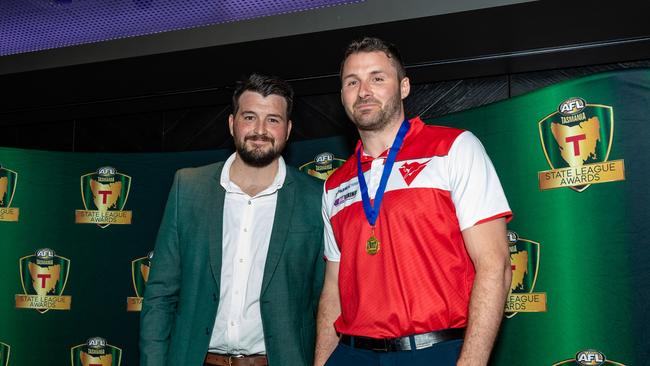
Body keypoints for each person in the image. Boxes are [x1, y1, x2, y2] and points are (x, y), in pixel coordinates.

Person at [314, 37, 513, 366]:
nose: (364, 91)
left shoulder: (454, 148)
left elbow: (495, 265)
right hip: (352, 354)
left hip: (433, 351)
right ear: (342, 96)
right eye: (352, 82)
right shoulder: (335, 184)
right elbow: (333, 288)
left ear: (404, 87)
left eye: (377, 78)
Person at [140, 73, 325, 366]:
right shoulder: (189, 187)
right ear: (232, 124)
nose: (260, 130)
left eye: (273, 120)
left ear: (288, 130)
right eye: (249, 117)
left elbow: (323, 301)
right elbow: (160, 294)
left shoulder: (315, 198)